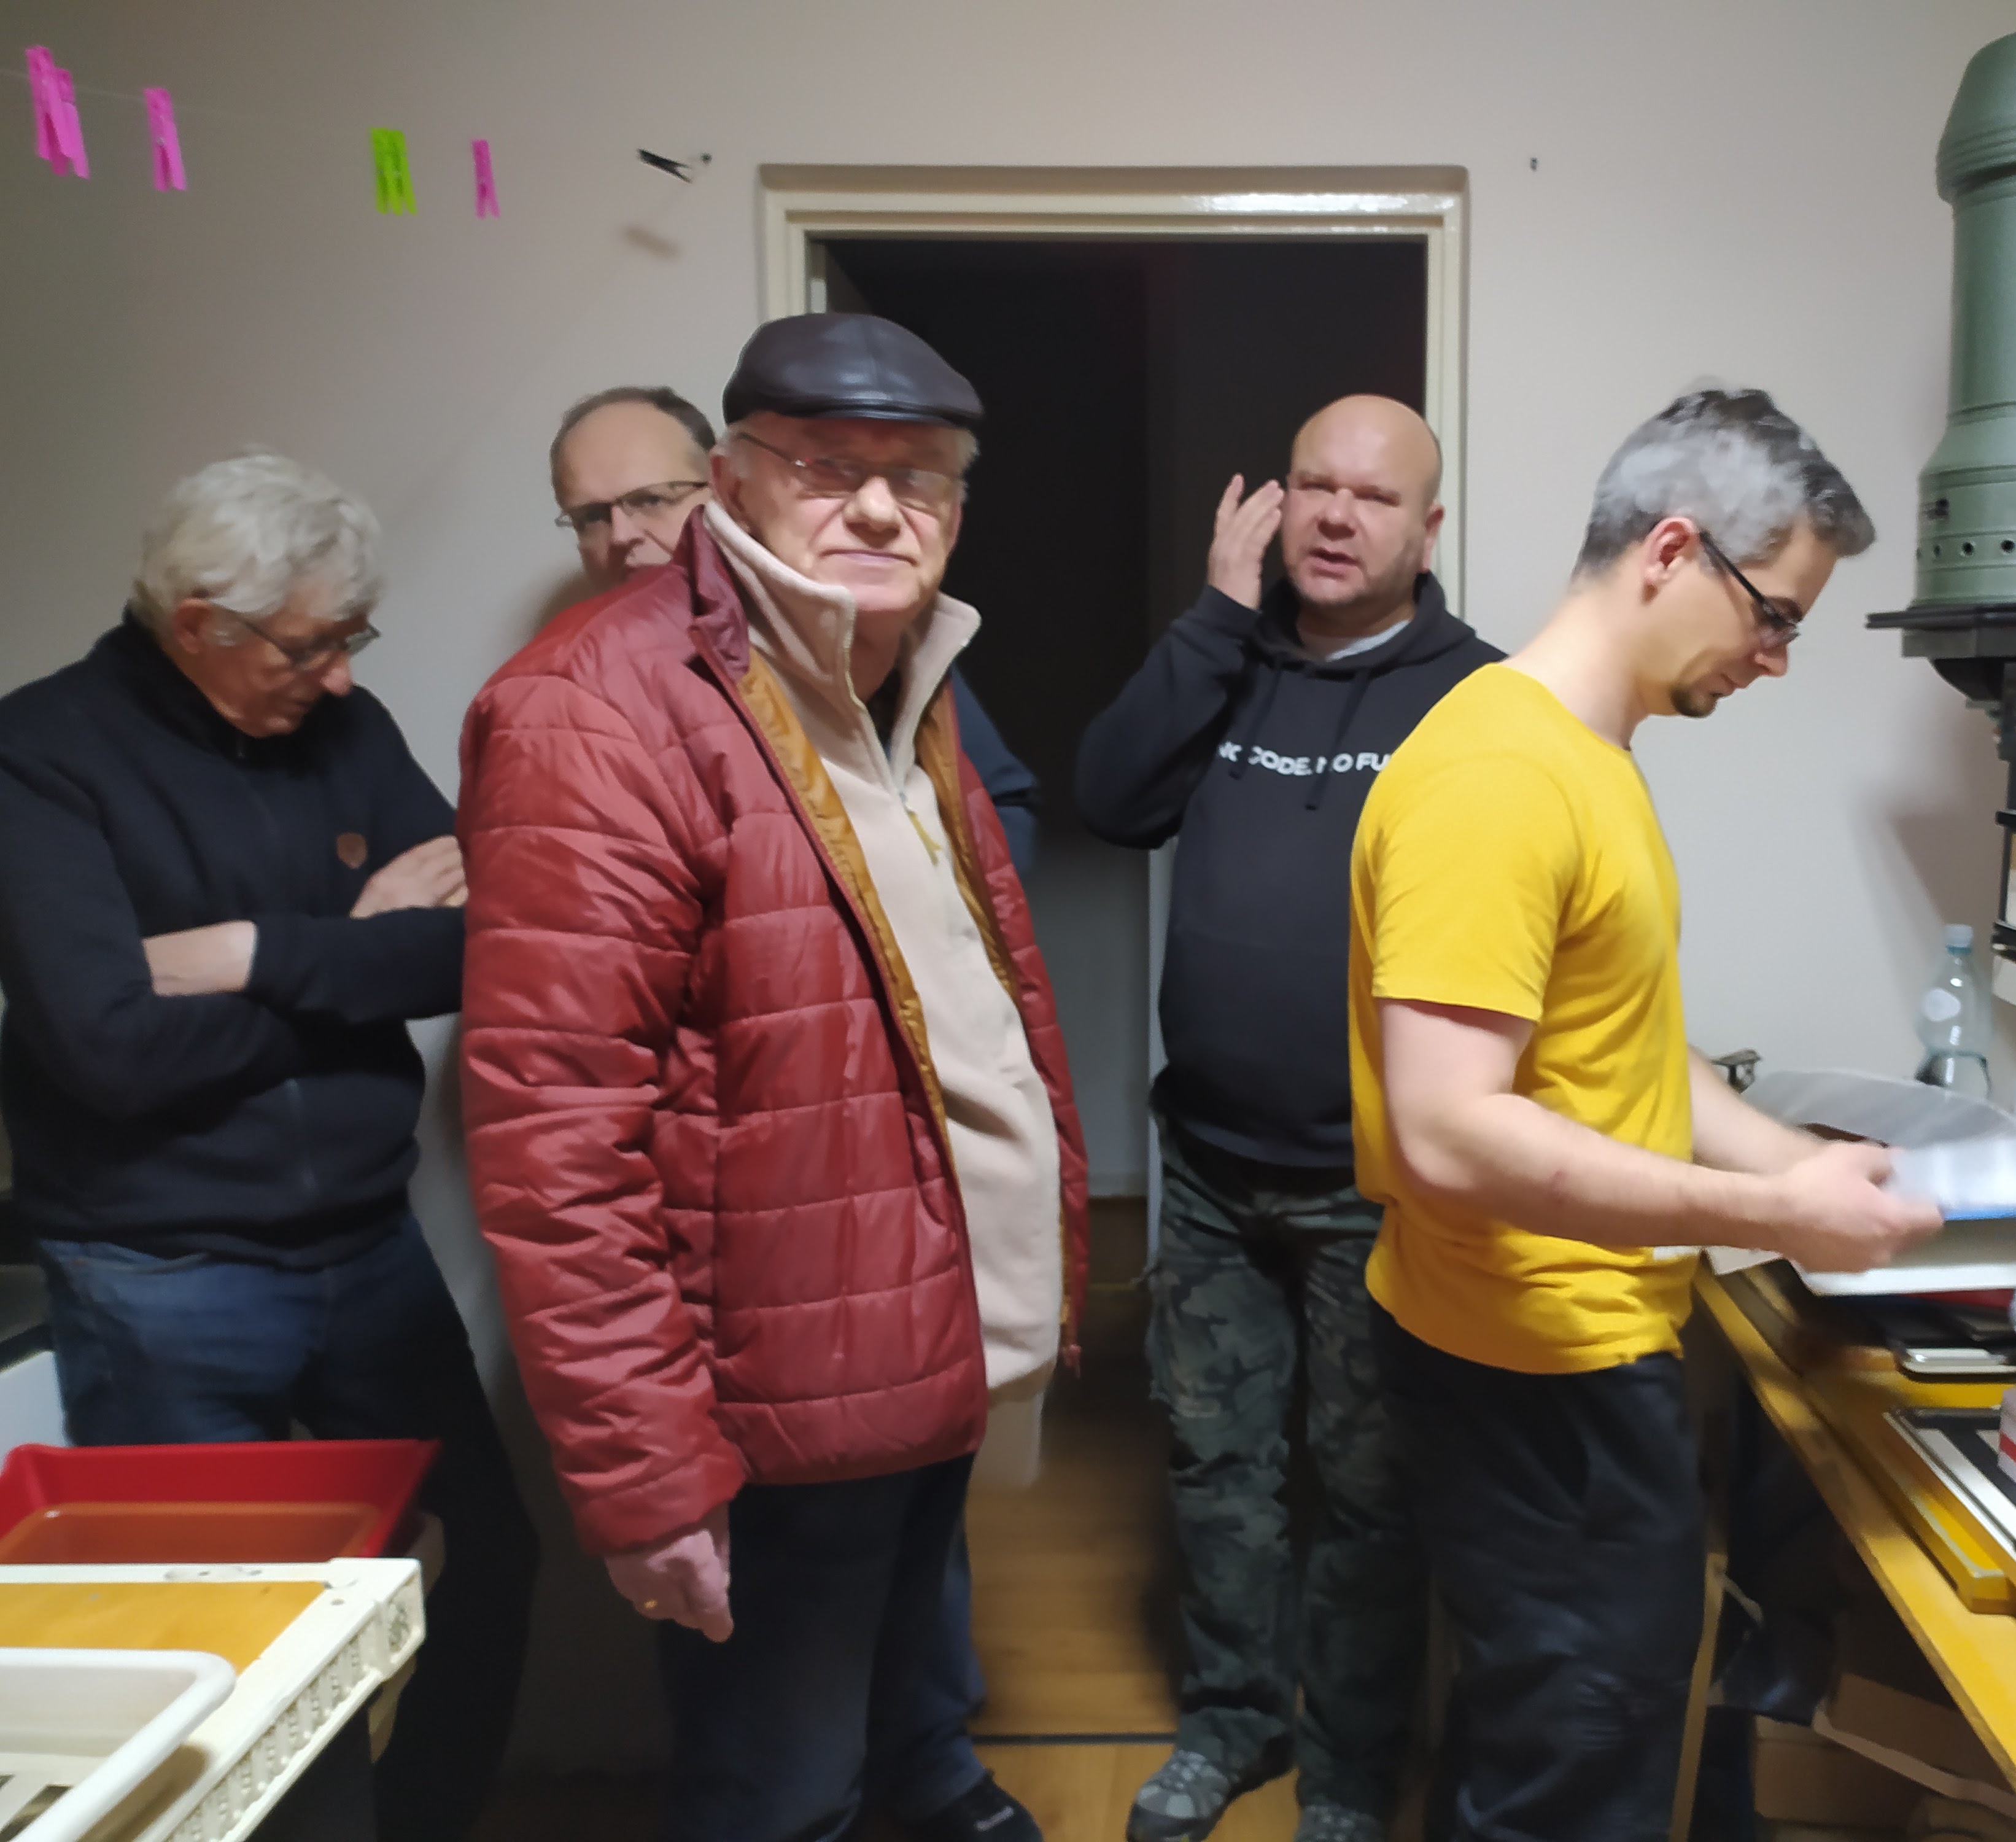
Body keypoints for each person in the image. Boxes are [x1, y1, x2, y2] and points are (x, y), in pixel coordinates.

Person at [461, 313, 1088, 1842]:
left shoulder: (902, 669)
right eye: (824, 467)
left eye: (918, 477)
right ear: (732, 481)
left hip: (924, 1338)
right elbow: (556, 1138)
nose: (877, 507)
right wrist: (646, 1472)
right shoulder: (595, 705)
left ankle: (931, 1786)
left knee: (903, 1684)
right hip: (774, 1384)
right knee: (782, 1786)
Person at [1347, 389, 1944, 1841]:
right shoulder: (1498, 776)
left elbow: (1626, 1055)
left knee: (1571, 1742)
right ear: (1671, 550)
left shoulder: (1583, 757)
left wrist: (1803, 1166)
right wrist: (1775, 1213)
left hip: (1572, 1350)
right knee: (1570, 1771)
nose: (1776, 656)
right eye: (1773, 614)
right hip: (1530, 1369)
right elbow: (1449, 1131)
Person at [0, 453, 538, 1842]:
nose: (342, 676)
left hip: (366, 1248)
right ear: (198, 625)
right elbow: (110, 1050)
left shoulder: (341, 730)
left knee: (488, 1557)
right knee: (236, 1651)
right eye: (310, 645)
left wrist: (248, 952)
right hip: (160, 1275)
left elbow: (472, 944)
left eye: (352, 637)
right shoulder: (41, 754)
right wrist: (354, 946)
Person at [1077, 396, 1497, 1842]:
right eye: (1312, 485)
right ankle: (1230, 1725)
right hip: (1205, 1166)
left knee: (1372, 1492)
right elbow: (1109, 795)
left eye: (1371, 497)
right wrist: (1211, 613)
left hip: (1372, 1181)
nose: (1333, 515)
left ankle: (1349, 1769)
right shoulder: (1227, 662)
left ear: (1425, 529)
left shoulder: (1477, 699)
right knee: (1216, 1468)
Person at [551, 383, 1041, 871]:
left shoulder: (848, 627)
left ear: (726, 490)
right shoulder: (568, 690)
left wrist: (946, 906)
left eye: (652, 500)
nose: (621, 535)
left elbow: (1002, 801)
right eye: (591, 517)